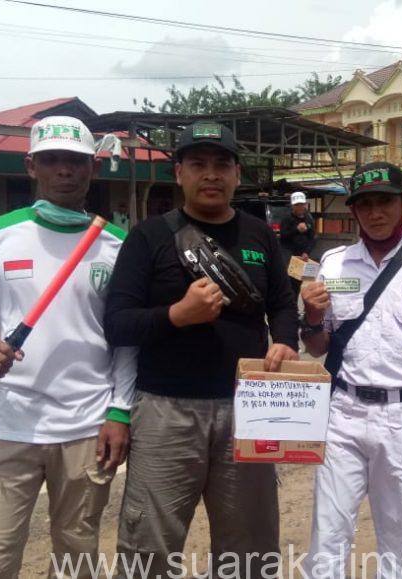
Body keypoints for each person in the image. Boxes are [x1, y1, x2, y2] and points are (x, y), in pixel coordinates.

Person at [105, 121, 299, 576]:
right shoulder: (148, 237)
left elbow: (282, 303)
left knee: (249, 547)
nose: (210, 174)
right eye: (198, 164)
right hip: (165, 412)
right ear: (179, 173)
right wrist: (177, 314)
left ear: (237, 174)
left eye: (222, 165)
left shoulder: (260, 235)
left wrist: (286, 341)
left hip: (249, 408)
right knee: (149, 544)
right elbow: (117, 324)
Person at [0, 116, 135, 578]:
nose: (64, 170)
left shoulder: (117, 245)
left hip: (86, 428)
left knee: (76, 560)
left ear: (93, 168)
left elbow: (127, 340)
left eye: (75, 160)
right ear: (31, 166)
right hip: (10, 424)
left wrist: (119, 411)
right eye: (51, 159)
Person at [300, 161, 402, 578]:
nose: (375, 213)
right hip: (343, 414)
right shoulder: (334, 265)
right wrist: (311, 317)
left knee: (401, 541)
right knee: (327, 536)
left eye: (385, 203)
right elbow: (318, 346)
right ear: (354, 211)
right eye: (365, 205)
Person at [279, 190, 316, 297]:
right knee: (290, 283)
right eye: (297, 205)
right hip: (290, 256)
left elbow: (312, 238)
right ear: (292, 206)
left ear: (305, 204)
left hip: (303, 256)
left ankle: (299, 306)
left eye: (302, 204)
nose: (300, 207)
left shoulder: (308, 218)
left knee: (302, 283)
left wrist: (307, 252)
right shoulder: (287, 219)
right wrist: (296, 230)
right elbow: (283, 236)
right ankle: (290, 305)